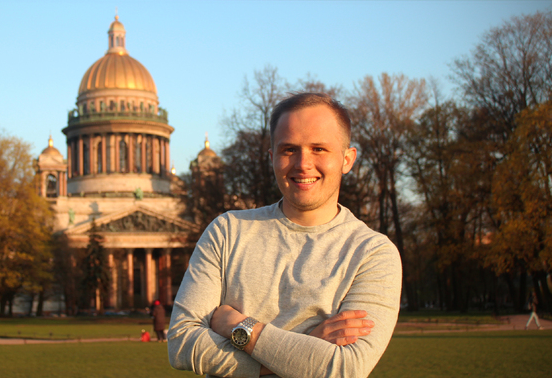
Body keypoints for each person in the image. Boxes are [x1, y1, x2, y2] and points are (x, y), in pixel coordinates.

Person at [168, 93, 402, 378]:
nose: (303, 164)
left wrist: (237, 327)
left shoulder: (373, 252)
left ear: (347, 159)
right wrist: (307, 354)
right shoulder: (226, 231)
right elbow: (181, 343)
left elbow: (345, 368)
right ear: (272, 157)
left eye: (319, 149)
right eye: (289, 149)